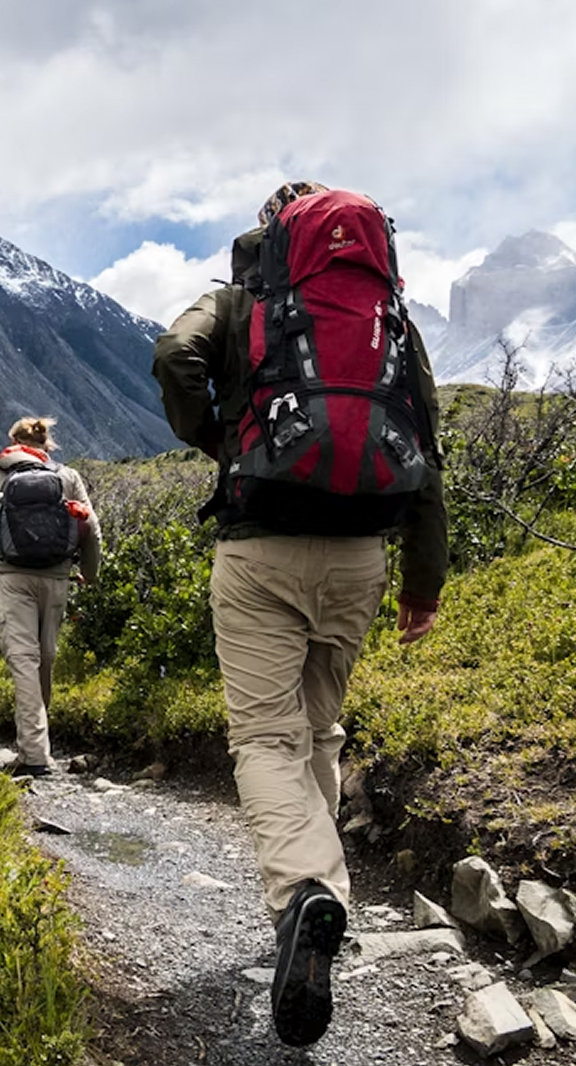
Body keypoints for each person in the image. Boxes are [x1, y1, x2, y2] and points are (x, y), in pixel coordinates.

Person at [153, 181, 448, 1048]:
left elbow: (175, 356)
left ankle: (304, 896)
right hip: (361, 555)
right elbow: (426, 445)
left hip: (261, 547)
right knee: (319, 730)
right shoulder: (387, 318)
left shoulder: (244, 301)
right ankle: (320, 898)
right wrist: (422, 584)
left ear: (274, 234)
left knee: (263, 740)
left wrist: (218, 437)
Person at [0, 416, 102, 777]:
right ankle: (37, 744)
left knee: (23, 661)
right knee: (45, 659)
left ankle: (35, 755)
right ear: (46, 444)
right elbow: (91, 528)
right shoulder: (67, 477)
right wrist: (90, 572)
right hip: (56, 579)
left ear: (13, 442)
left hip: (12, 580)